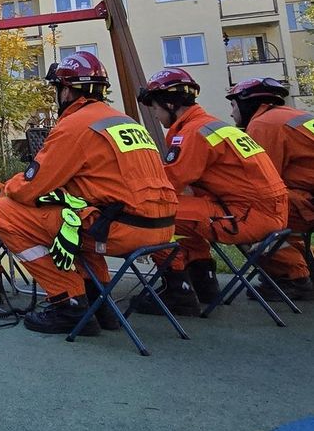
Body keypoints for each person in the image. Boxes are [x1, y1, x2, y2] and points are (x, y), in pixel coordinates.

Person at [0, 51, 178, 335]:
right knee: (78, 217)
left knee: (3, 212)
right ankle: (99, 304)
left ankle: (69, 303)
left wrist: (8, 187)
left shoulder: (75, 126)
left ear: (65, 91)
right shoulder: (124, 121)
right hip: (162, 229)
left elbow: (32, 188)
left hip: (121, 229)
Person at [135, 68, 289, 315]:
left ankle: (178, 291)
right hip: (261, 210)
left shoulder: (193, 133)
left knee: (153, 213)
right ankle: (203, 279)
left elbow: (168, 185)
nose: (154, 113)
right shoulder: (210, 126)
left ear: (169, 103)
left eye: (154, 107)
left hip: (247, 215)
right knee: (182, 211)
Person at [225, 77, 314, 300]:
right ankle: (304, 267)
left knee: (245, 218)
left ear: (247, 103)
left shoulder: (264, 125)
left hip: (307, 201)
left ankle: (291, 277)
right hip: (307, 195)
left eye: (233, 105)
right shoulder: (294, 116)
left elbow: (262, 183)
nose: (231, 114)